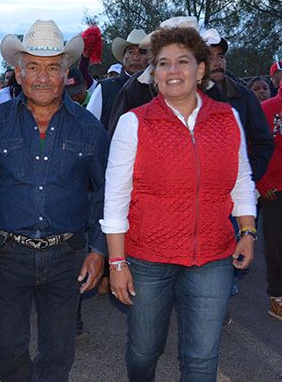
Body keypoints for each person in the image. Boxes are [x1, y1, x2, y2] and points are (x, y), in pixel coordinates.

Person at [102, 25, 256, 381]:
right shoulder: (133, 123)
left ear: (200, 70)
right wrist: (117, 262)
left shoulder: (227, 118)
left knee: (201, 359)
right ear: (153, 74)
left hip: (213, 258)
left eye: (183, 62)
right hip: (148, 259)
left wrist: (247, 230)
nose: (173, 71)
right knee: (143, 352)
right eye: (163, 64)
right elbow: (115, 199)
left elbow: (241, 181)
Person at [0, 19, 108, 381]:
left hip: (67, 256)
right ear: (19, 73)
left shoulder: (89, 127)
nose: (43, 77)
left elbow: (105, 194)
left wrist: (99, 250)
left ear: (66, 74)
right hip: (8, 254)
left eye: (52, 67)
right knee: (5, 344)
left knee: (59, 349)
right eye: (34, 67)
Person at [107, 19, 273, 183]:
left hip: (207, 196)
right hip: (150, 197)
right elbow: (117, 153)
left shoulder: (213, 92)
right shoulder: (135, 89)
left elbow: (232, 150)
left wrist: (240, 184)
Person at [86, 28, 148, 129]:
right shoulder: (105, 89)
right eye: (131, 52)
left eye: (142, 52)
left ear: (150, 57)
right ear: (124, 57)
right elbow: (88, 126)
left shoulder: (158, 89)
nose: (136, 57)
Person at [257, 83, 282, 320]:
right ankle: (277, 295)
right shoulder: (267, 108)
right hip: (275, 189)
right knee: (275, 244)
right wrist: (262, 183)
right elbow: (256, 147)